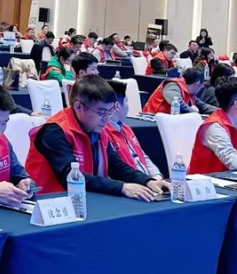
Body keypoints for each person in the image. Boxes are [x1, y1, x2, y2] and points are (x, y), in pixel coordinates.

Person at [27, 77, 169, 200]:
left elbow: (116, 165)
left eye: (110, 111)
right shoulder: (55, 131)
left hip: (84, 198)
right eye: (101, 112)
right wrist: (122, 187)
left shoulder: (97, 128)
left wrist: (148, 181)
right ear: (78, 107)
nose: (106, 118)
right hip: (49, 201)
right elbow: (71, 177)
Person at [104, 79, 164, 179]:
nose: (128, 106)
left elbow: (143, 157)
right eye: (126, 101)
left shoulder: (126, 129)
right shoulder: (104, 134)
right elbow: (118, 170)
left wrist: (156, 176)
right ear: (117, 106)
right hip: (132, 184)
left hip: (148, 181)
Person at [141, 67, 214, 115]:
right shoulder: (172, 85)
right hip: (152, 119)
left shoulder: (189, 92)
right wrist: (194, 113)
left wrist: (219, 111)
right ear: (197, 83)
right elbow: (178, 103)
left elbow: (202, 105)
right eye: (201, 86)